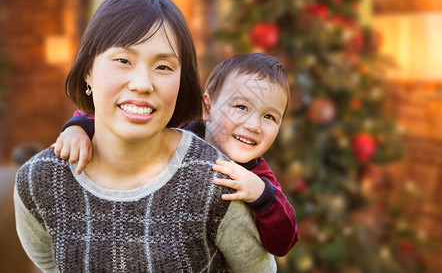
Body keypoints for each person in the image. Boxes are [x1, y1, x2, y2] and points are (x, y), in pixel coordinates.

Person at [14, 0, 276, 272]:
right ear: (88, 70)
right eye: (123, 61)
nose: (142, 84)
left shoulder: (216, 182)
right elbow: (48, 263)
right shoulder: (39, 181)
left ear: (181, 81)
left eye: (163, 66)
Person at [54, 53, 300, 257]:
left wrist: (262, 195)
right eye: (241, 107)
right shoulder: (178, 132)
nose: (254, 125)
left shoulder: (259, 177)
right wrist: (78, 128)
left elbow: (284, 242)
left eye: (269, 117)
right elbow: (119, 124)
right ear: (208, 107)